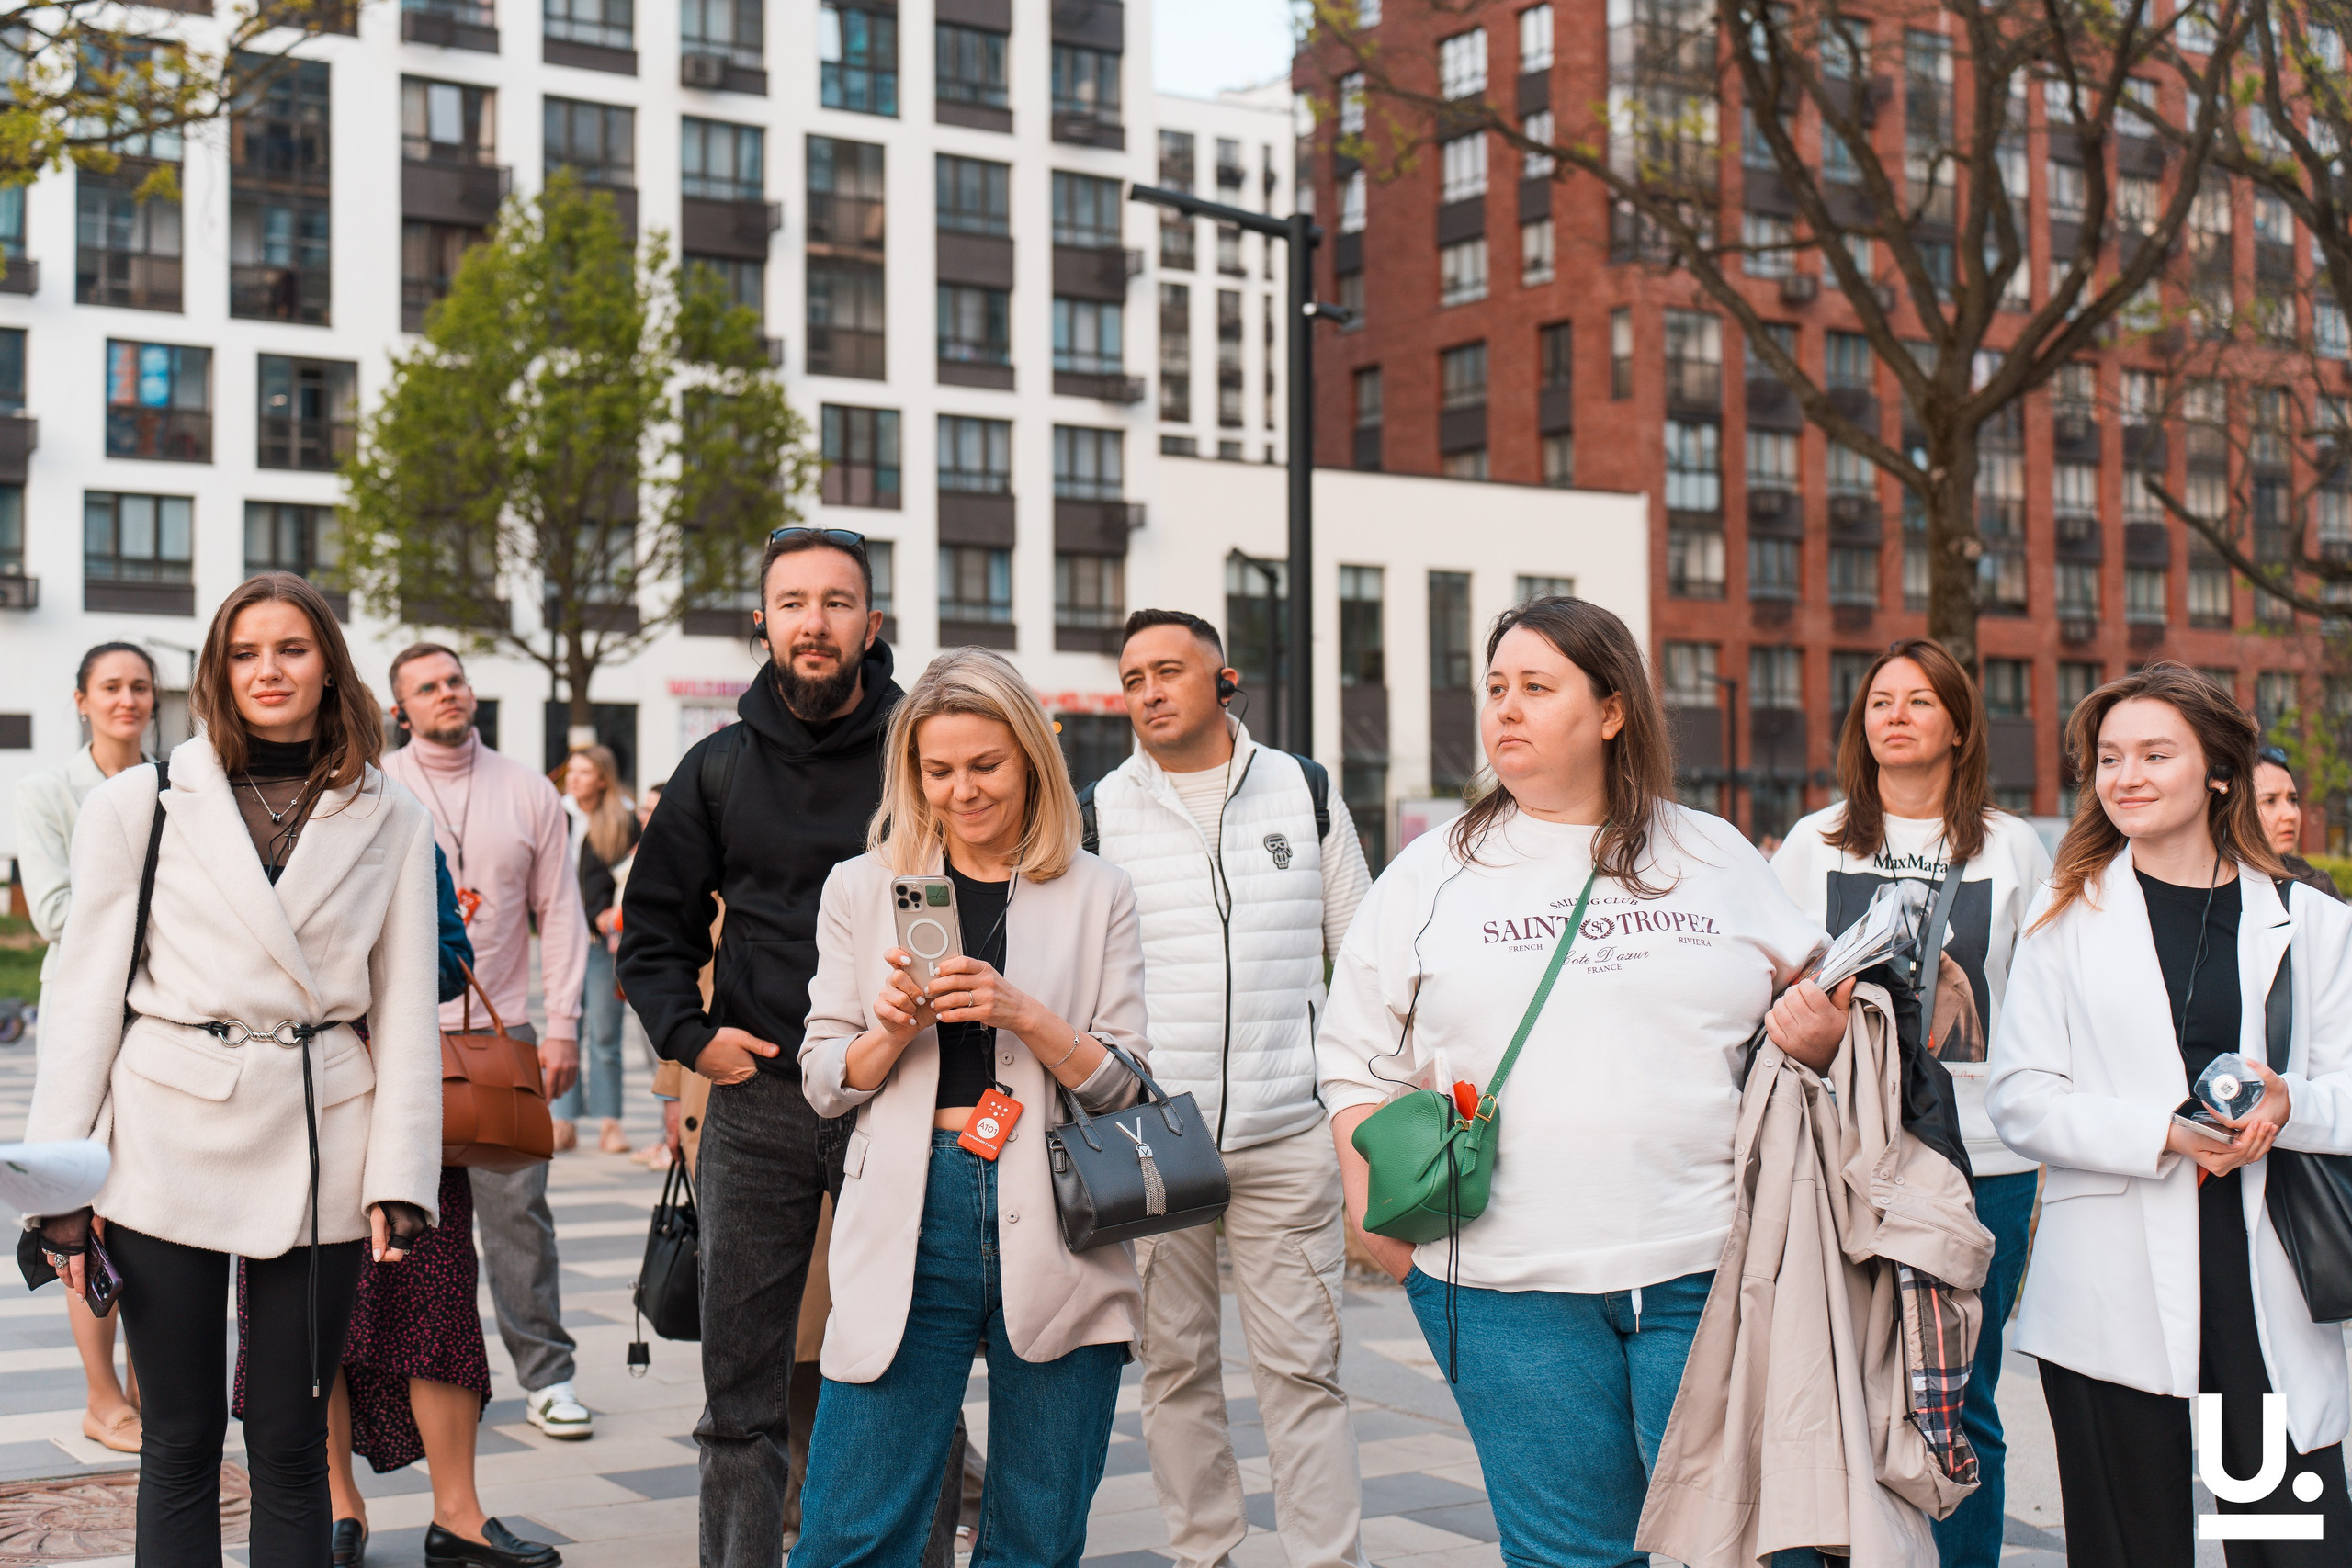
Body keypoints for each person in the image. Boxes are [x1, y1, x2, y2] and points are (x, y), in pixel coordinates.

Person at [1313, 597, 1843, 1566]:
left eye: (1536, 687)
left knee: (1759, 1547)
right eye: (1496, 688)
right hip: (1508, 1295)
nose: (1506, 709)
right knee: (1571, 1556)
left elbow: (1819, 998)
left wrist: (1819, 1039)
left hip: (1708, 1273)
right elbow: (1352, 1056)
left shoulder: (1711, 852)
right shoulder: (1432, 873)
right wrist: (1385, 1235)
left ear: (1610, 711)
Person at [23, 571, 442, 1567]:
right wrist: (58, 1187)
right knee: (178, 1440)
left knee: (293, 1443)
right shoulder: (140, 803)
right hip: (167, 1129)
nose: (268, 670)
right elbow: (84, 997)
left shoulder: (390, 813)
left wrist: (401, 1175)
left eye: (291, 649)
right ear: (217, 670)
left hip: (321, 1130)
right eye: (245, 652)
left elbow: (406, 1010)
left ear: (328, 665)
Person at [795, 645, 1155, 1567]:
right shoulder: (862, 886)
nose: (963, 791)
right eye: (939, 770)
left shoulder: (1098, 890)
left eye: (986, 765)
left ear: (1031, 756)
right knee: (849, 1530)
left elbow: (1126, 1087)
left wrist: (1024, 1014)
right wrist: (886, 1031)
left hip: (1061, 1211)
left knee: (1037, 1536)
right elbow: (824, 1079)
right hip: (910, 1210)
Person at [1989, 661, 2352, 1566]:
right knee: (2129, 1548)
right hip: (2110, 1282)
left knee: (2287, 1543)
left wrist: (2290, 1105)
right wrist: (2163, 1132)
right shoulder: (2063, 917)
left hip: (2262, 1279)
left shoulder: (2309, 921)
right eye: (2110, 758)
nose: (2126, 777)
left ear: (2219, 772)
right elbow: (2019, 1096)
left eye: (2155, 754)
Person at [618, 526, 903, 1568]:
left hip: (898, 1095)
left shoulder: (921, 750)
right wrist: (692, 1040)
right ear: (764, 621)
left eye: (836, 602)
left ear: (871, 623)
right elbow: (654, 929)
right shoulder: (718, 765)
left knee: (905, 1378)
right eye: (793, 603)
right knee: (739, 1393)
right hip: (759, 1103)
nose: (813, 623)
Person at [1090, 608, 1373, 1568]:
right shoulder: (1100, 809)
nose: (1148, 693)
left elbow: (1360, 955)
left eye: (1168, 671)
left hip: (1288, 1129)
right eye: (1132, 679)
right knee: (1174, 1371)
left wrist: (1349, 1105)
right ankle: (1204, 1554)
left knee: (1305, 1371)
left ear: (1224, 680)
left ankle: (1326, 1561)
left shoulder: (1304, 789)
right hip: (1152, 1137)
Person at [1768, 637, 2052, 1568]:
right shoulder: (1814, 843)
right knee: (1843, 1379)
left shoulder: (2011, 846)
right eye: (1881, 700)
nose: (1895, 714)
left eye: (1920, 700)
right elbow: (1774, 986)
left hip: (1981, 1162)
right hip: (1847, 1148)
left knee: (1960, 1395)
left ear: (1959, 725)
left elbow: (2045, 996)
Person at [319, 842, 561, 1568]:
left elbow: (454, 962)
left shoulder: (399, 826)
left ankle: (458, 1513)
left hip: (401, 1083)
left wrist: (361, 948)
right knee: (305, 1304)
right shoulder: (245, 824)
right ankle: (336, 1507)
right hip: (290, 1088)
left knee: (438, 1293)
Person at [379, 643, 594, 1442]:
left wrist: (563, 1024)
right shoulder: (378, 784)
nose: (447, 693)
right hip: (399, 1039)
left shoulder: (529, 788)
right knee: (406, 1221)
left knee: (519, 1217)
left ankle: (549, 1376)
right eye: (427, 686)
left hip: (504, 1032)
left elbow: (561, 911)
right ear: (401, 709)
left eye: (455, 680)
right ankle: (418, 1381)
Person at [14, 641, 157, 1455]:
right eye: (111, 686)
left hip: (166, 1014)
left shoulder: (178, 783)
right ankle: (103, 1398)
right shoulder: (46, 793)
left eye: (140, 685)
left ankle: (148, 1389)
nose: (126, 698)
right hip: (83, 1015)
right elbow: (56, 912)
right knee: (87, 1206)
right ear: (81, 700)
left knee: (157, 1208)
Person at [553, 744, 639, 1156]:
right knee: (565, 1029)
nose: (574, 779)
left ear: (603, 779)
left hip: (602, 944)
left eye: (585, 772)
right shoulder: (555, 814)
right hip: (561, 941)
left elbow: (637, 876)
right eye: (572, 771)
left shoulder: (622, 820)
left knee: (605, 1035)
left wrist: (613, 912)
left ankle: (610, 1125)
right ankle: (563, 1122)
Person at [2254, 745, 2341, 900]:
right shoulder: (2217, 887)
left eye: (2292, 800)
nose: (2291, 814)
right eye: (2270, 801)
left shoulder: (2317, 885)